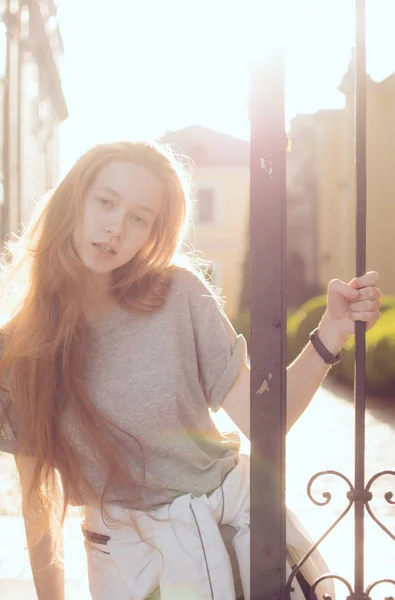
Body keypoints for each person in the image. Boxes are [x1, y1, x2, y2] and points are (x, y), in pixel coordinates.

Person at [0, 140, 381, 600]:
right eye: (105, 201)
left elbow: (266, 422)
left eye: (139, 218)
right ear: (73, 199)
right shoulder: (19, 349)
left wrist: (332, 330)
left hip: (239, 536)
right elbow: (38, 503)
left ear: (152, 233)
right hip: (129, 563)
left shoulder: (177, 294)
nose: (116, 227)